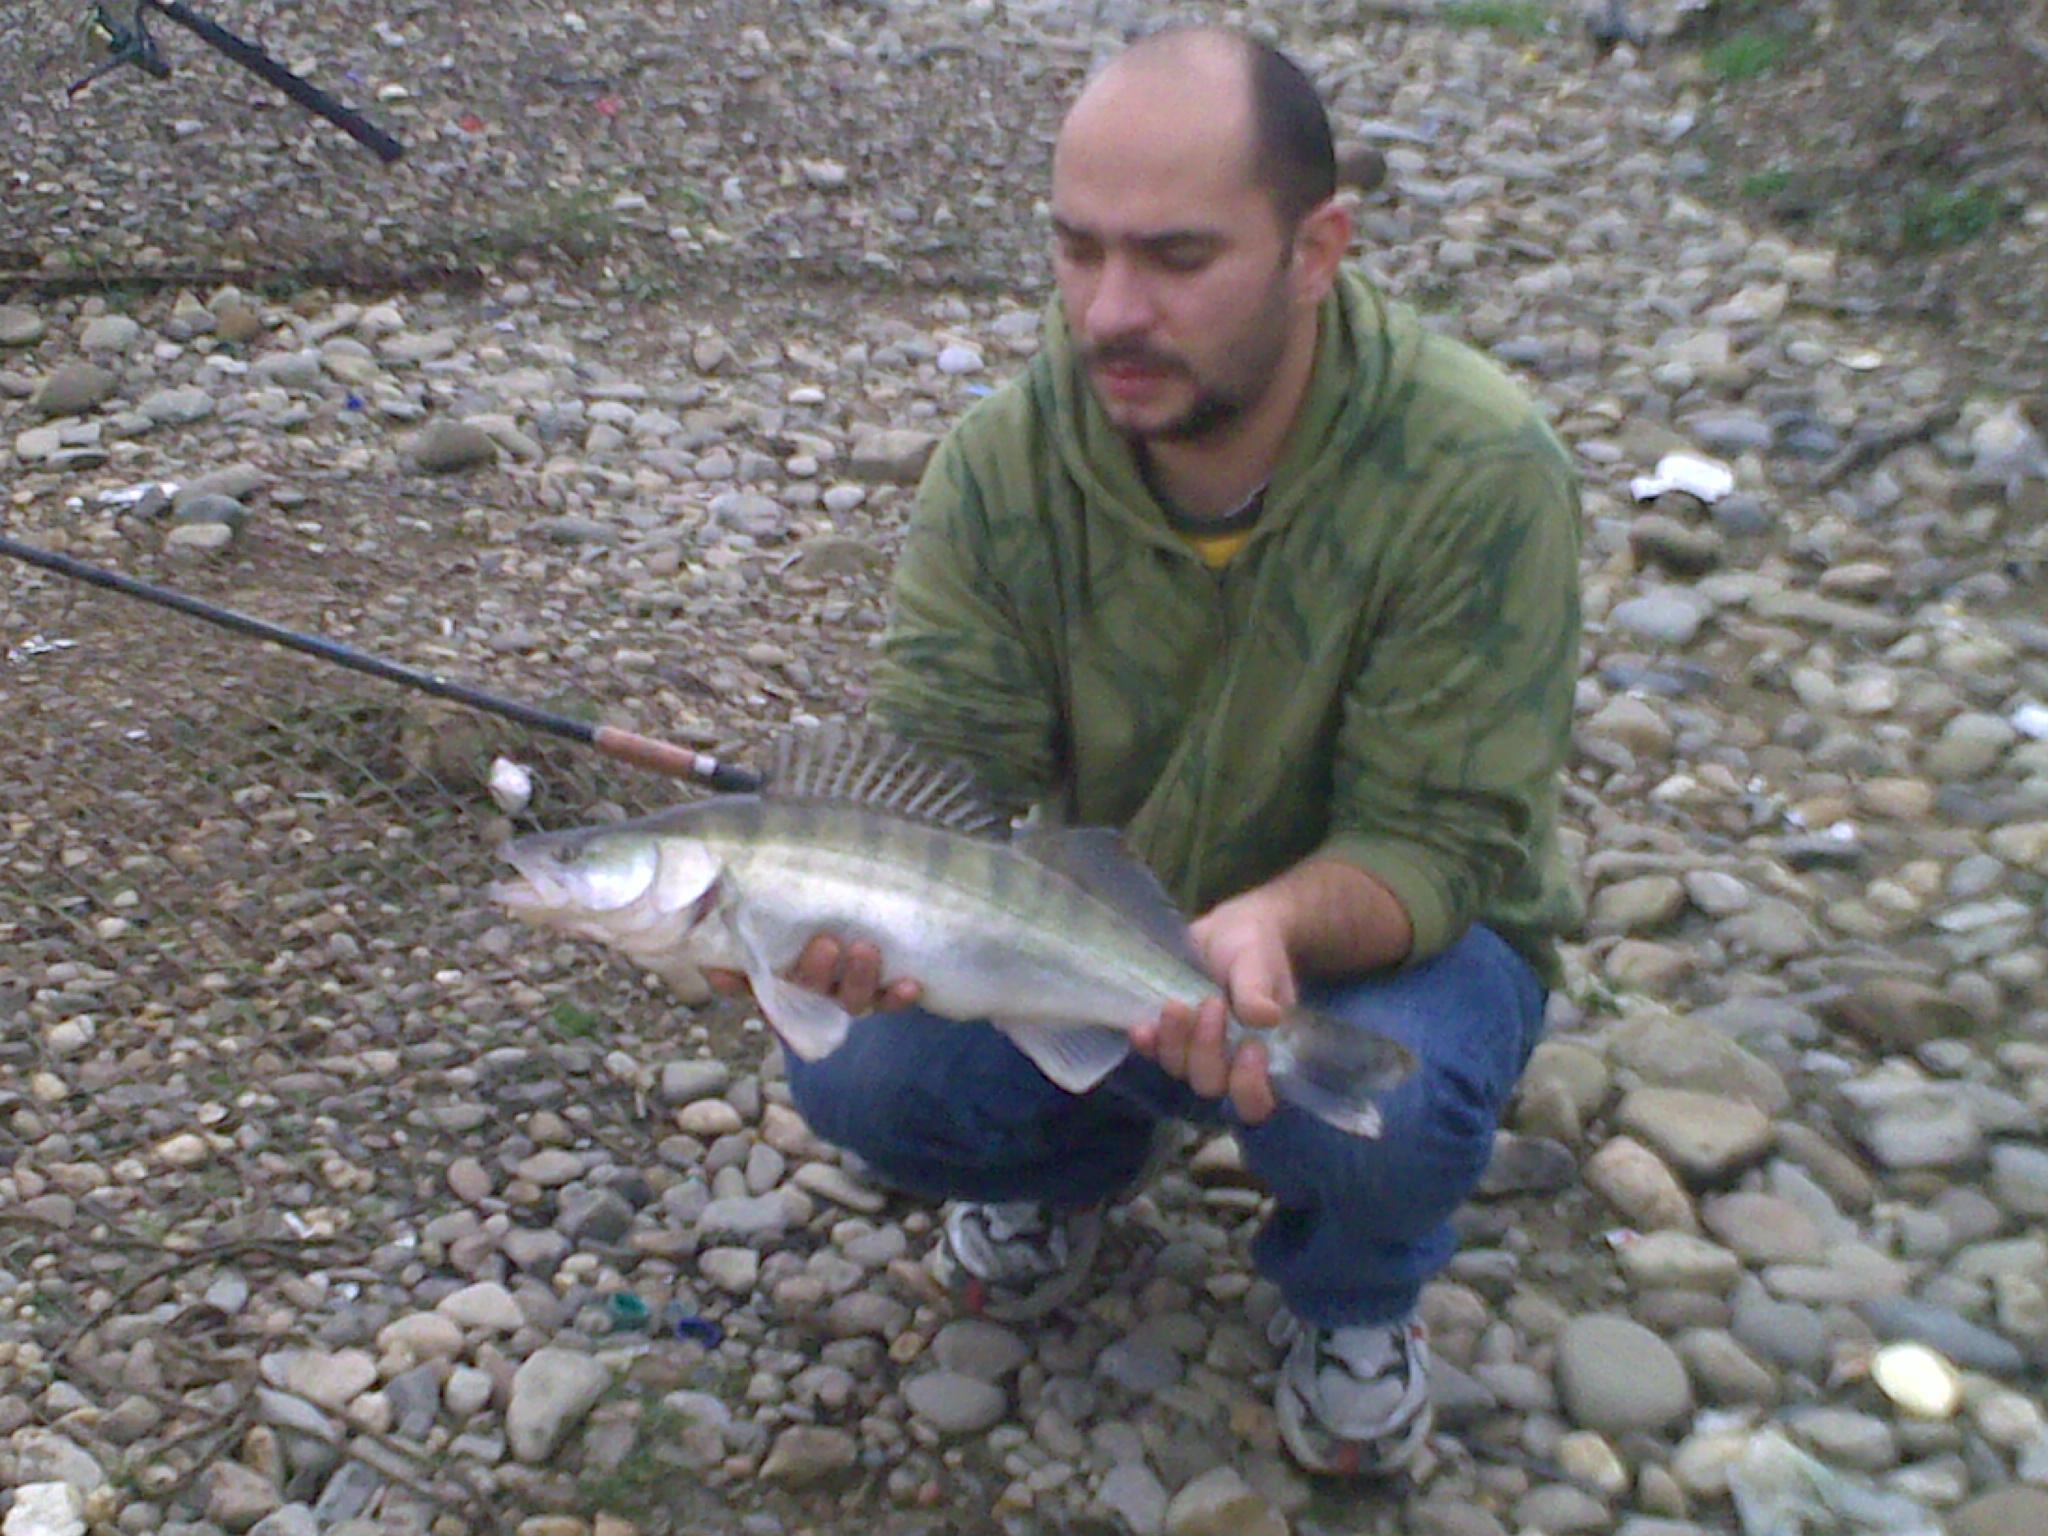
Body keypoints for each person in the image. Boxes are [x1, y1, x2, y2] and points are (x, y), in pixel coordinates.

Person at [714, 26, 1583, 1478]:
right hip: (1094, 926)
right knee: (861, 1074)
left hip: (1387, 937)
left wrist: (1272, 924)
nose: (1111, 310)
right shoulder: (1001, 466)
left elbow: (1443, 841)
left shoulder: (1479, 470)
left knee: (1395, 1108)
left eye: (1177, 258)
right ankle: (1080, 1160)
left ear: (1319, 248)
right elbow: (947, 776)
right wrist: (855, 916)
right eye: (1078, 250)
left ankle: (1355, 1298)